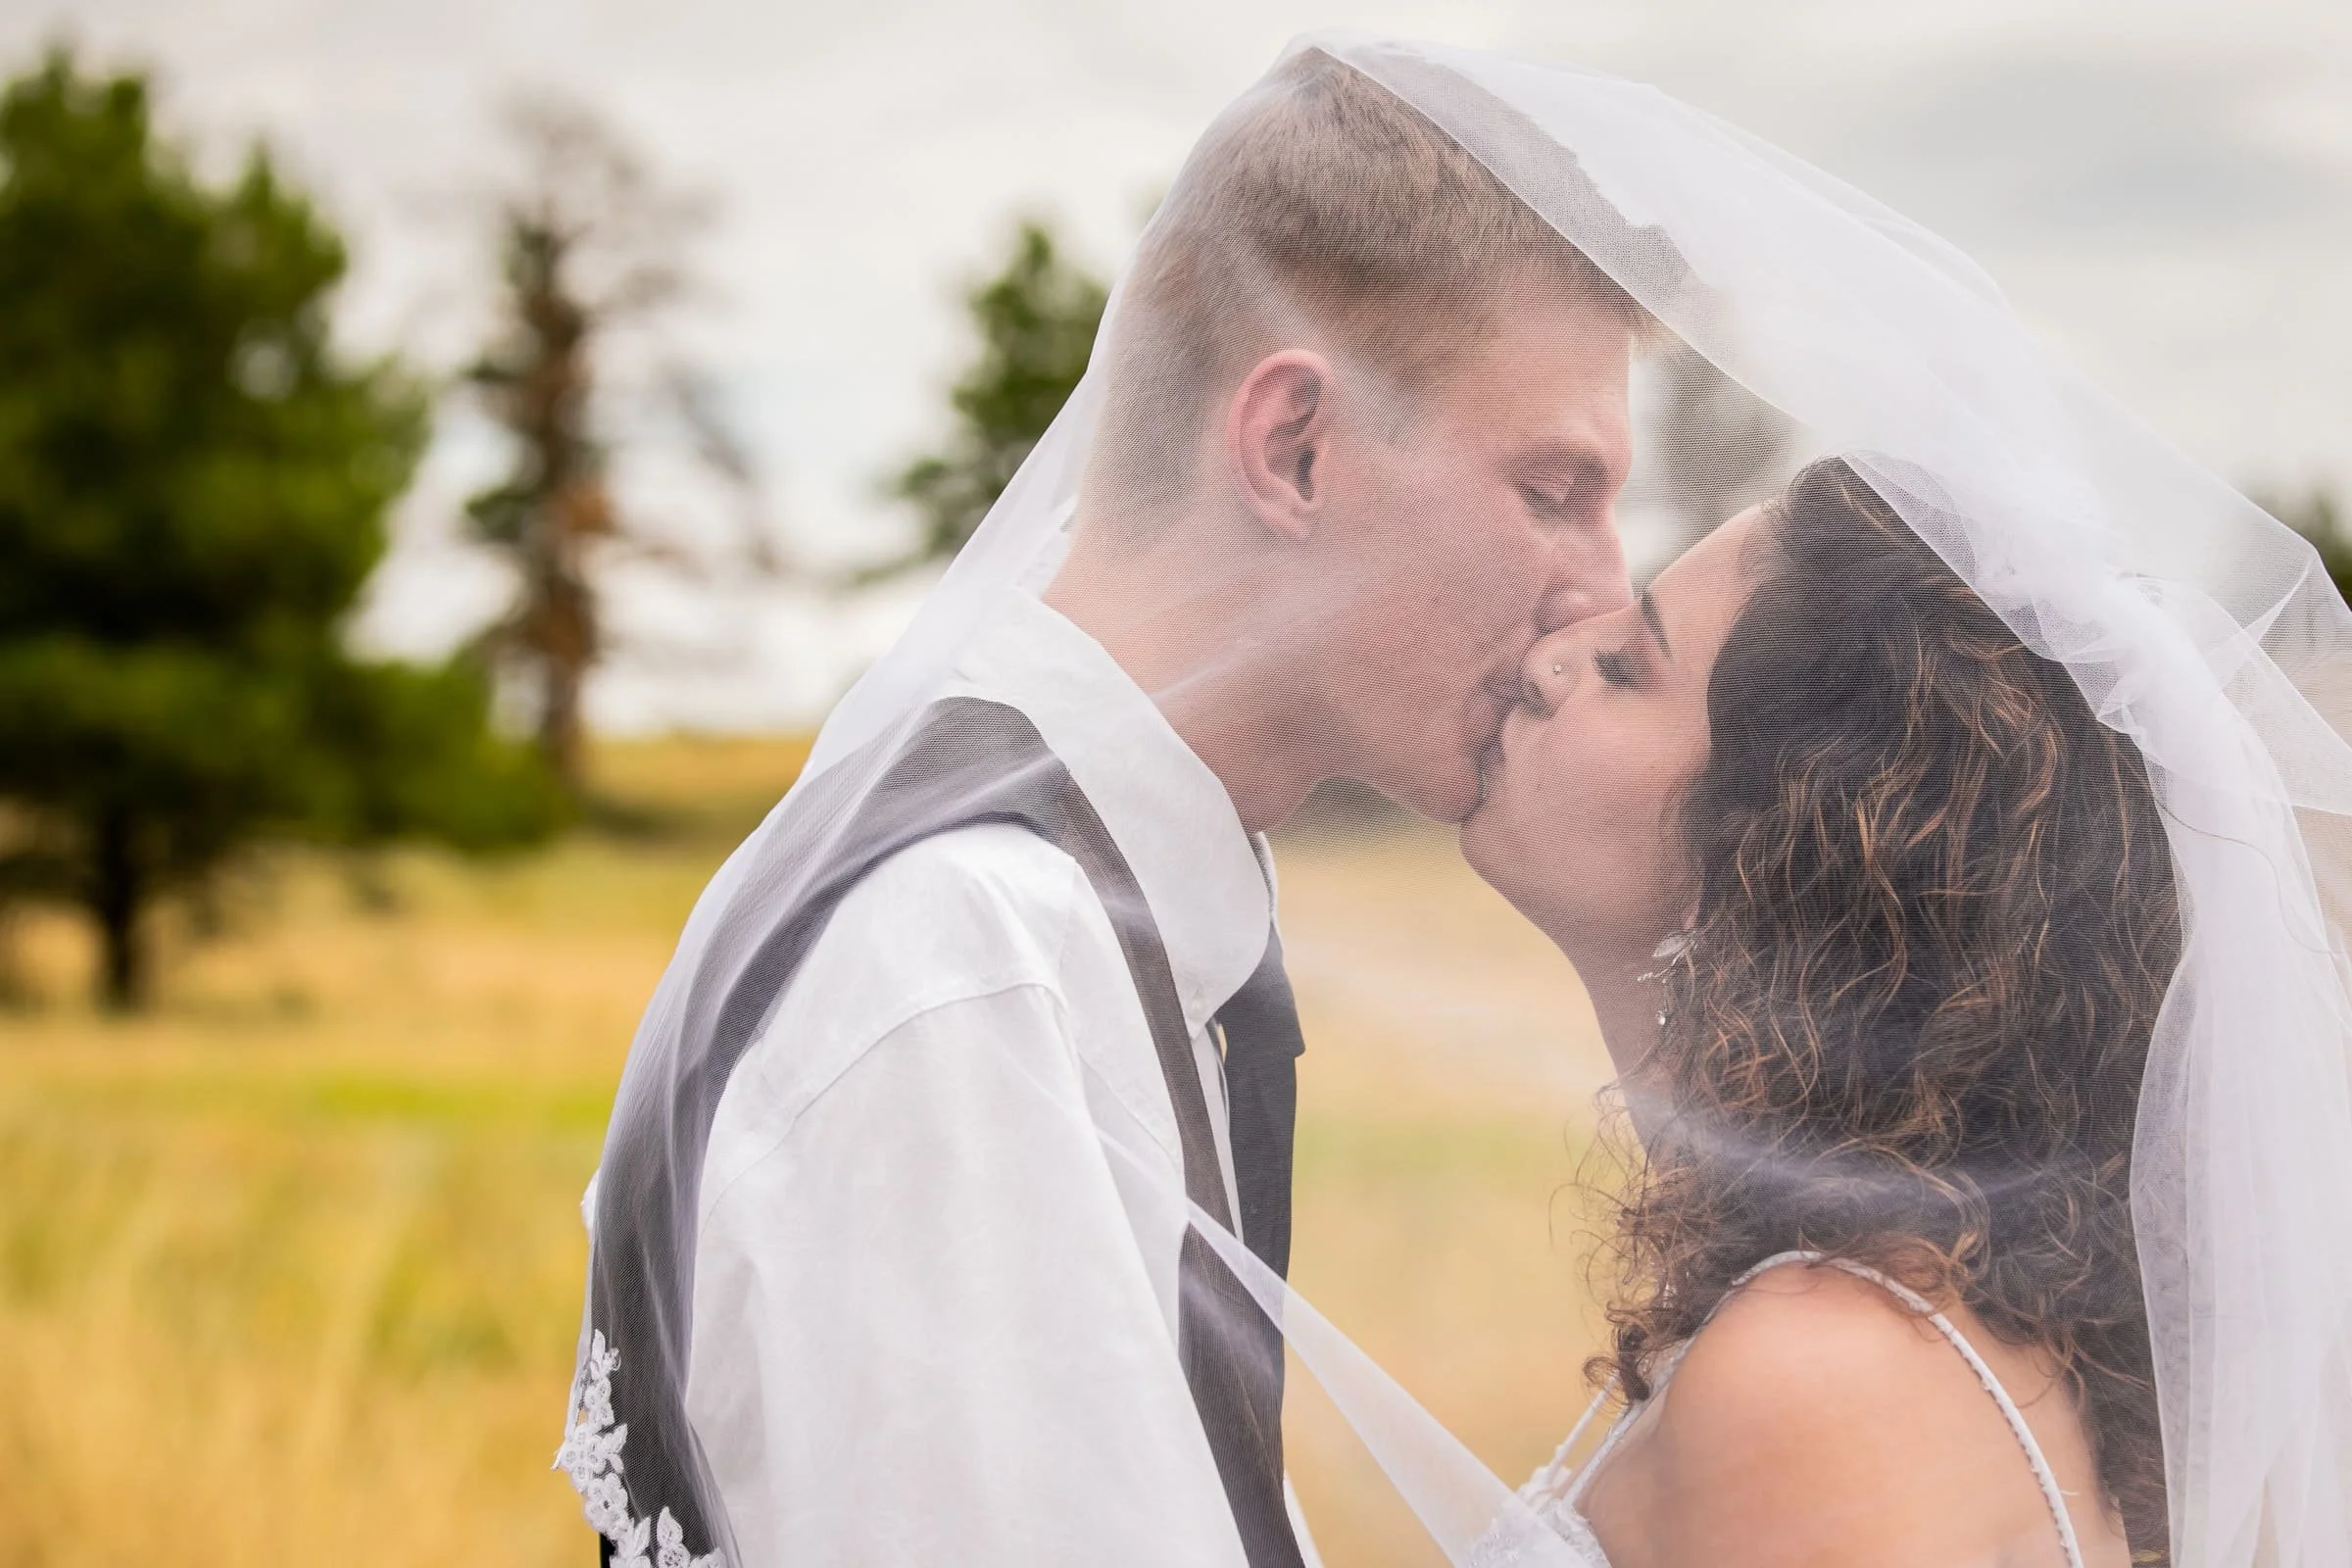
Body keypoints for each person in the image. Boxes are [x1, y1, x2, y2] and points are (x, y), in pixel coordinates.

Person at [558, 47, 1653, 1568]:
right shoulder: (962, 964)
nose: (1602, 587)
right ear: (1292, 449)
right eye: (1555, 490)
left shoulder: (1063, 911)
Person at [1466, 458, 2173, 1566]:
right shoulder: (1865, 1313)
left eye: (1626, 665)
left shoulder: (1824, 1374)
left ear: (1775, 855)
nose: (1549, 659)